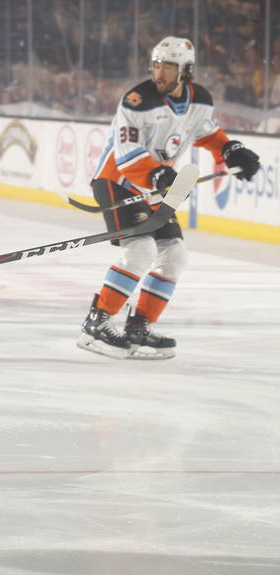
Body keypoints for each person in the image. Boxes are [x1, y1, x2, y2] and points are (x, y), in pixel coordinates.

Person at [78, 36, 260, 360]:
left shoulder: (200, 100)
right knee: (141, 249)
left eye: (168, 67)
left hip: (158, 184)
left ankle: (138, 328)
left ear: (186, 71)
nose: (159, 73)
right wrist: (157, 175)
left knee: (175, 255)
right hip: (118, 180)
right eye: (157, 65)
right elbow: (126, 155)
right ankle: (97, 323)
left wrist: (231, 149)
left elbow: (206, 133)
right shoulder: (136, 101)